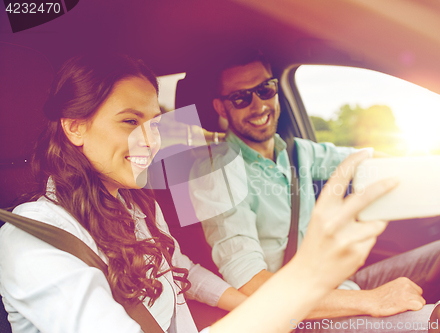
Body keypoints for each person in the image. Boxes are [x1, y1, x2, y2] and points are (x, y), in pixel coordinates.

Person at [0, 53, 408, 333]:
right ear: (75, 127)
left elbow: (184, 272)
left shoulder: (135, 203)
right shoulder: (33, 243)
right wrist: (305, 279)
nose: (151, 141)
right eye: (129, 122)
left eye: (155, 123)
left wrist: (247, 307)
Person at [189, 49, 440, 332]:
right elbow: (251, 286)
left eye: (264, 90)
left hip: (335, 286)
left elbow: (365, 158)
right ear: (221, 107)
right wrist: (373, 300)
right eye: (241, 98)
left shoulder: (298, 152)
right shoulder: (214, 173)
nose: (258, 105)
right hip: (292, 315)